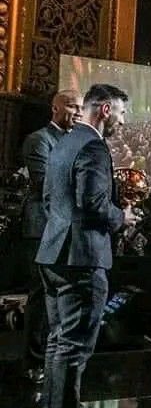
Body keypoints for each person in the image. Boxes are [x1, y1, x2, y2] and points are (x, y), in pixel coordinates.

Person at [36, 84, 132, 408]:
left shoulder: (61, 142)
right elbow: (93, 203)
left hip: (53, 254)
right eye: (121, 113)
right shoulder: (93, 145)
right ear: (105, 110)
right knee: (73, 347)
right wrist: (122, 216)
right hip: (82, 259)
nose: (122, 122)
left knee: (58, 343)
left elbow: (49, 200)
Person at [20, 90, 83, 382]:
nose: (78, 112)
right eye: (73, 106)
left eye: (81, 107)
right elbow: (45, 183)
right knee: (41, 297)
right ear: (56, 108)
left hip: (67, 229)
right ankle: (34, 363)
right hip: (43, 226)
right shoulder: (39, 140)